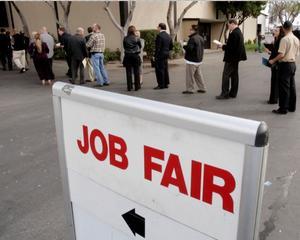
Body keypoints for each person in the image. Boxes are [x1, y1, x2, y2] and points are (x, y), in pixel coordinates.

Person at [269, 21, 300, 114]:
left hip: (285, 64)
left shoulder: (285, 39)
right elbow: (297, 53)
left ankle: (283, 108)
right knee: (292, 86)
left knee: (284, 88)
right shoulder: (296, 39)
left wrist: (273, 60)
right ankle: (292, 107)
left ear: (283, 28)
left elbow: (281, 55)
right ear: (291, 28)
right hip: (293, 63)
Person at [216, 19, 247, 99]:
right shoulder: (239, 32)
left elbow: (231, 47)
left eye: (229, 25)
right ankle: (233, 93)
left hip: (231, 58)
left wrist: (222, 46)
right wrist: (225, 45)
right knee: (234, 75)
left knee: (226, 75)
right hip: (236, 58)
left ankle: (224, 93)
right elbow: (234, 45)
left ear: (233, 24)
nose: (228, 27)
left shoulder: (234, 33)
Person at [182, 24, 206, 94]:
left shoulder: (192, 38)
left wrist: (183, 46)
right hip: (199, 59)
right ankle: (202, 88)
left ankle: (190, 89)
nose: (189, 31)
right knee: (198, 75)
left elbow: (190, 49)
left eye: (190, 29)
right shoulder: (200, 38)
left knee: (190, 76)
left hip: (191, 60)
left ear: (193, 30)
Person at [264, 26, 284, 104]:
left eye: (276, 30)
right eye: (274, 30)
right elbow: (275, 51)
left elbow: (278, 53)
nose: (274, 32)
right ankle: (275, 98)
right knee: (275, 80)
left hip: (276, 63)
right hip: (275, 62)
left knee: (275, 81)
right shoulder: (277, 40)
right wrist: (269, 51)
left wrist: (272, 59)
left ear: (280, 32)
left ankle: (273, 99)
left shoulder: (280, 40)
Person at [154, 23, 173, 89]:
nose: (157, 28)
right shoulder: (168, 35)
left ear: (160, 27)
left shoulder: (159, 36)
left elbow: (158, 47)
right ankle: (166, 83)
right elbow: (171, 46)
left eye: (157, 27)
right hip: (166, 54)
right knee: (165, 69)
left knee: (159, 69)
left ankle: (161, 84)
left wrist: (155, 56)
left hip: (160, 55)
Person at [123, 26, 141, 91]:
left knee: (128, 72)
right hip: (135, 55)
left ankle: (129, 87)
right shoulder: (136, 38)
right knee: (136, 71)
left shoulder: (125, 38)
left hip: (127, 56)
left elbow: (124, 46)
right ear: (134, 31)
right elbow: (140, 46)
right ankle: (137, 86)